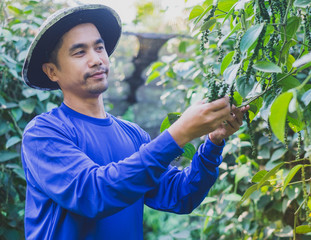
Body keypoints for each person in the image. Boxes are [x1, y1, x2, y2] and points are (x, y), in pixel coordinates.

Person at [21, 4, 249, 240]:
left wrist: (212, 143)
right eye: (80, 52)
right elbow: (94, 194)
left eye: (99, 48)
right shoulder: (44, 133)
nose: (96, 59)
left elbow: (180, 195)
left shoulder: (133, 134)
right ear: (52, 71)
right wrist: (178, 133)